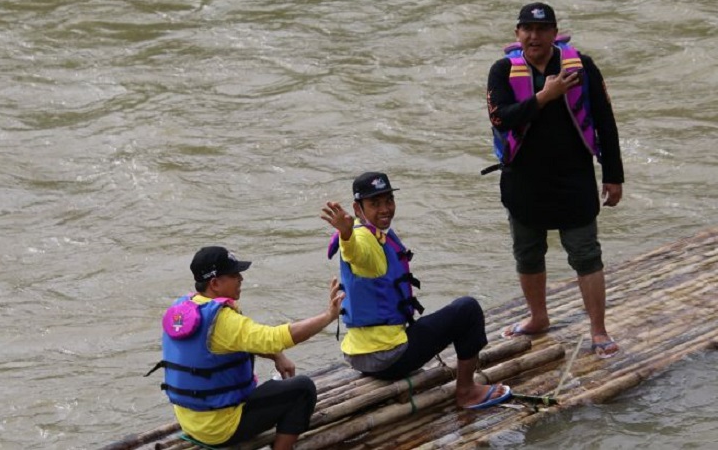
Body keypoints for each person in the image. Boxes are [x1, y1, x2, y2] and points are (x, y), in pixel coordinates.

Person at [484, 2, 625, 359]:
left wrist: (613, 175)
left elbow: (605, 122)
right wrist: (545, 96)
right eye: (527, 30)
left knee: (587, 255)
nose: (535, 36)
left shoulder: (582, 67)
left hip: (573, 178)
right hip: (523, 181)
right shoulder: (502, 72)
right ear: (517, 34)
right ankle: (538, 317)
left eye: (542, 29)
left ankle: (599, 330)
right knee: (528, 254)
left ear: (554, 33)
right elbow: (502, 119)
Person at [320, 172, 511, 410]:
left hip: (359, 357)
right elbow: (356, 253)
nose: (384, 209)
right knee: (467, 309)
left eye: (388, 201)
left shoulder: (374, 234)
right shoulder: (362, 240)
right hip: (388, 359)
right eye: (374, 204)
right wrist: (346, 235)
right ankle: (467, 391)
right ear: (357, 209)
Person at [146, 246, 344, 450]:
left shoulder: (184, 310)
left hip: (192, 422)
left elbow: (234, 342)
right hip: (221, 429)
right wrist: (328, 316)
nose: (241, 279)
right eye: (234, 275)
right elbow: (275, 338)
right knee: (302, 389)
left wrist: (276, 356)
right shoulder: (223, 320)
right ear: (214, 283)